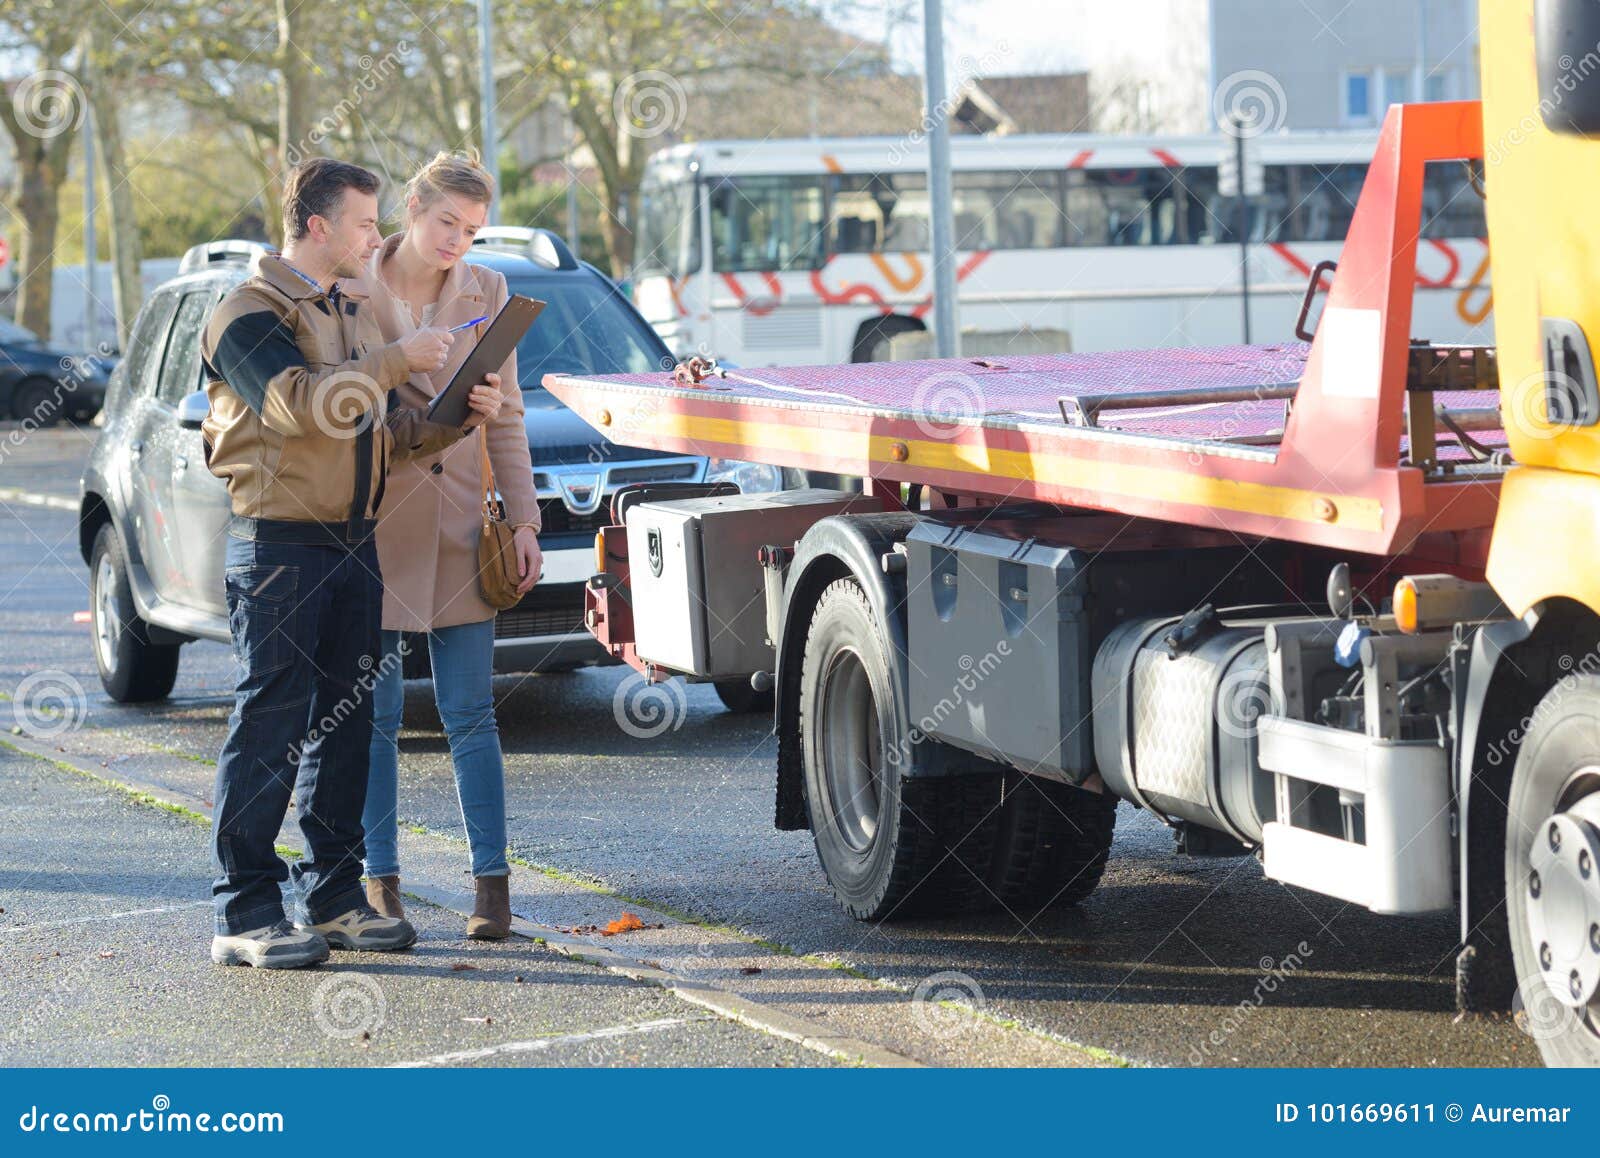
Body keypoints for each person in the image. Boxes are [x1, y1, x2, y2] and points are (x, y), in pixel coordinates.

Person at [201, 157, 506, 969]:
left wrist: (458, 420)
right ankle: (245, 911)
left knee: (346, 727)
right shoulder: (244, 312)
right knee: (271, 725)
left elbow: (382, 433)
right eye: (365, 224)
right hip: (277, 545)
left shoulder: (348, 311)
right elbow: (299, 405)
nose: (377, 238)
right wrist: (402, 359)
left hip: (353, 542)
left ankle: (334, 898)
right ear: (318, 225)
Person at [350, 151, 540, 941]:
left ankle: (491, 890)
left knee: (470, 713)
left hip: (463, 523)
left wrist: (524, 522)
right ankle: (379, 884)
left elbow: (509, 417)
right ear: (413, 208)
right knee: (376, 717)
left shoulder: (488, 291)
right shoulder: (355, 283)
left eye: (471, 230)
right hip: (373, 522)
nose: (457, 241)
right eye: (446, 222)